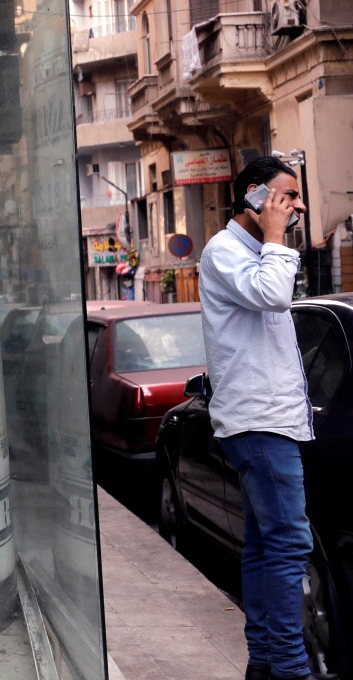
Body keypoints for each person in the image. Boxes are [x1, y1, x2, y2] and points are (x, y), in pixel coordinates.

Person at [199, 156, 331, 680]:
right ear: (255, 195)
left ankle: (267, 662)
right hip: (259, 424)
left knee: (263, 545)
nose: (298, 206)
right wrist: (276, 235)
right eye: (287, 196)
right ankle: (290, 668)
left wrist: (274, 239)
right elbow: (272, 296)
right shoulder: (225, 250)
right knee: (290, 544)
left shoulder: (256, 254)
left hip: (269, 421)